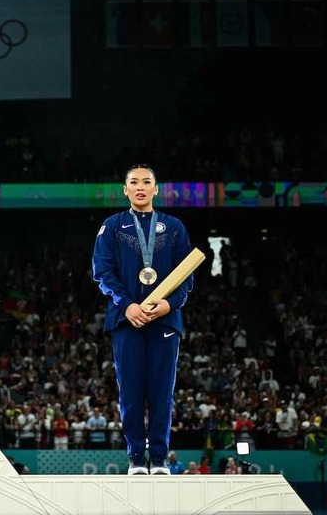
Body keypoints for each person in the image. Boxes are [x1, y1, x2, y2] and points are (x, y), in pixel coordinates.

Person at [92, 164, 194, 476]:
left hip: (164, 320)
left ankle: (160, 459)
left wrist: (169, 304)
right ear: (125, 190)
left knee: (162, 392)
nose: (139, 187)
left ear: (155, 189)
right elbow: (102, 271)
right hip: (127, 320)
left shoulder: (174, 227)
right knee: (131, 391)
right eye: (133, 182)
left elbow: (186, 275)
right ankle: (137, 458)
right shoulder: (112, 226)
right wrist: (126, 305)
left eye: (146, 182)